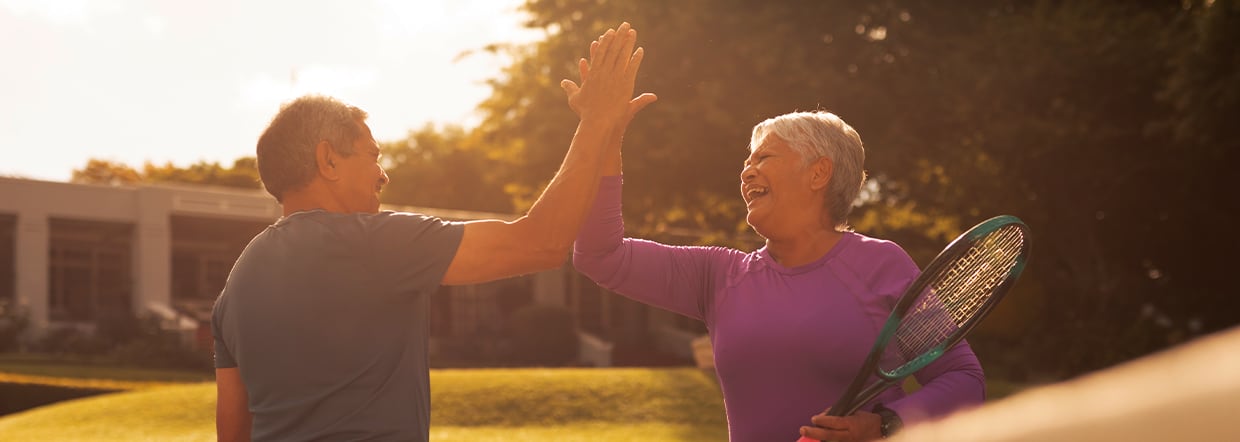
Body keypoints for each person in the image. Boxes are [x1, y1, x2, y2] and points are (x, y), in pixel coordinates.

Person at [212, 22, 656, 442]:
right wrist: (597, 122)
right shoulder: (372, 243)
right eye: (372, 156)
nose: (383, 176)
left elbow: (232, 435)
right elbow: (540, 243)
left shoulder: (237, 285)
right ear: (328, 161)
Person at [571, 110, 985, 442]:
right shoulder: (718, 276)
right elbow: (599, 254)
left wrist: (884, 425)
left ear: (818, 173)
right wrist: (604, 134)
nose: (746, 173)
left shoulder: (882, 265)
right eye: (746, 163)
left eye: (763, 158)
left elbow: (963, 378)